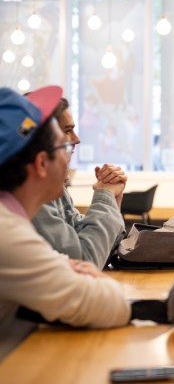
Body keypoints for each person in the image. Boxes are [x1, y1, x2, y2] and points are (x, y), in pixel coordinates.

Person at [0, 86, 130, 360]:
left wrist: (69, 266)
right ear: (41, 164)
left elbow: (87, 249)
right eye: (64, 144)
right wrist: (81, 271)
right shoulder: (7, 234)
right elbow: (113, 304)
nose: (75, 145)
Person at [31, 97, 127, 269]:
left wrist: (112, 199)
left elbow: (101, 248)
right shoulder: (32, 192)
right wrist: (105, 195)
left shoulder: (53, 186)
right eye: (67, 131)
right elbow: (84, 262)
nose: (76, 139)